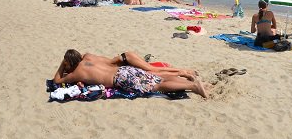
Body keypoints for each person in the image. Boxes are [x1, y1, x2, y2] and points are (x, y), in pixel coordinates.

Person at [53, 50, 207, 98]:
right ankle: (190, 81)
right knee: (159, 76)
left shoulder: (77, 73)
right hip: (124, 69)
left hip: (120, 78)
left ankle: (193, 86)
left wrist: (62, 64)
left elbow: (57, 80)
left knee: (157, 85)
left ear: (69, 63)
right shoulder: (88, 57)